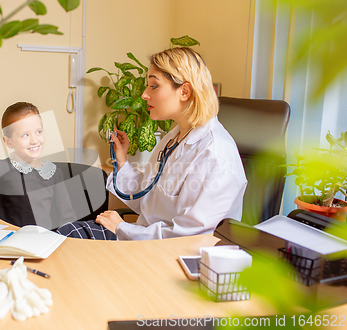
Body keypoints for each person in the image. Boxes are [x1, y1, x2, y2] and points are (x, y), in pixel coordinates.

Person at [57, 47, 247, 240]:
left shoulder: (215, 154)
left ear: (184, 91)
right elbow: (149, 197)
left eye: (154, 86)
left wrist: (122, 227)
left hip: (167, 254)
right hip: (143, 239)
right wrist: (122, 161)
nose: (144, 94)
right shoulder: (174, 138)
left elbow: (187, 236)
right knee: (61, 234)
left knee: (65, 239)